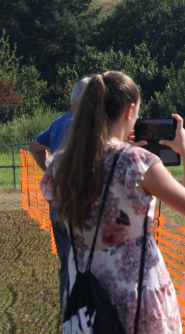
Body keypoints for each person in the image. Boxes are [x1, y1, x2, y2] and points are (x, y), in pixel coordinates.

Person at [40, 71, 185, 333]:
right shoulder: (135, 162)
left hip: (84, 298)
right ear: (129, 111)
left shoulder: (59, 164)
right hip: (135, 294)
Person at [28, 76, 90, 311]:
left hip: (58, 209)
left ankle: (68, 316)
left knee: (66, 266)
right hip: (83, 209)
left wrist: (49, 171)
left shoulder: (57, 123)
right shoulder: (89, 126)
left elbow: (35, 147)